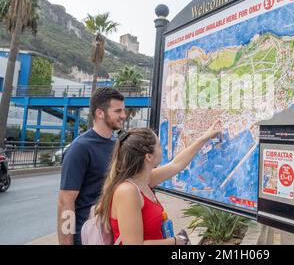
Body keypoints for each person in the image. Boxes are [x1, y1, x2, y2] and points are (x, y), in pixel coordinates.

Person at [94, 121, 222, 245]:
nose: (162, 149)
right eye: (159, 146)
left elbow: (176, 164)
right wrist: (175, 241)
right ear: (148, 156)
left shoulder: (143, 180)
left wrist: (204, 138)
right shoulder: (128, 191)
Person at [57, 87, 127, 245]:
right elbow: (65, 201)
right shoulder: (80, 148)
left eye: (123, 110)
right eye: (117, 111)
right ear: (100, 113)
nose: (123, 115)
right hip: (86, 237)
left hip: (109, 235)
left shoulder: (117, 144)